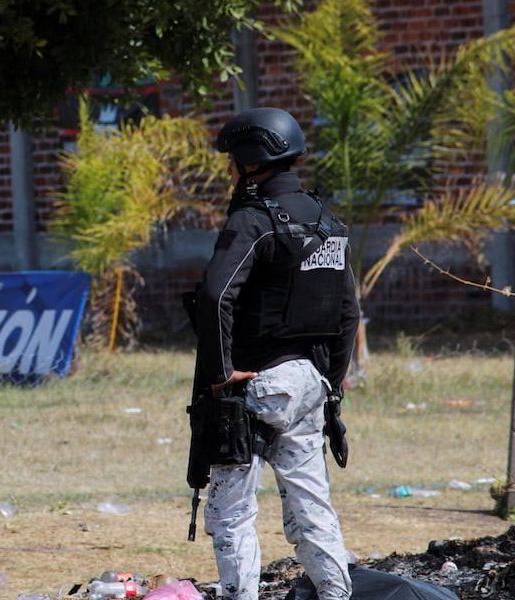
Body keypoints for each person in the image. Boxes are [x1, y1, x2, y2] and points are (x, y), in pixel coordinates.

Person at [192, 107, 359, 600]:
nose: (229, 170)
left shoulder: (254, 221)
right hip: (310, 384)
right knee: (311, 507)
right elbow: (348, 312)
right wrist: (332, 382)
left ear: (250, 160)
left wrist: (221, 374)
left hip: (254, 386)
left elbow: (216, 296)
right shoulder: (330, 222)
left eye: (233, 160)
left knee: (230, 514)